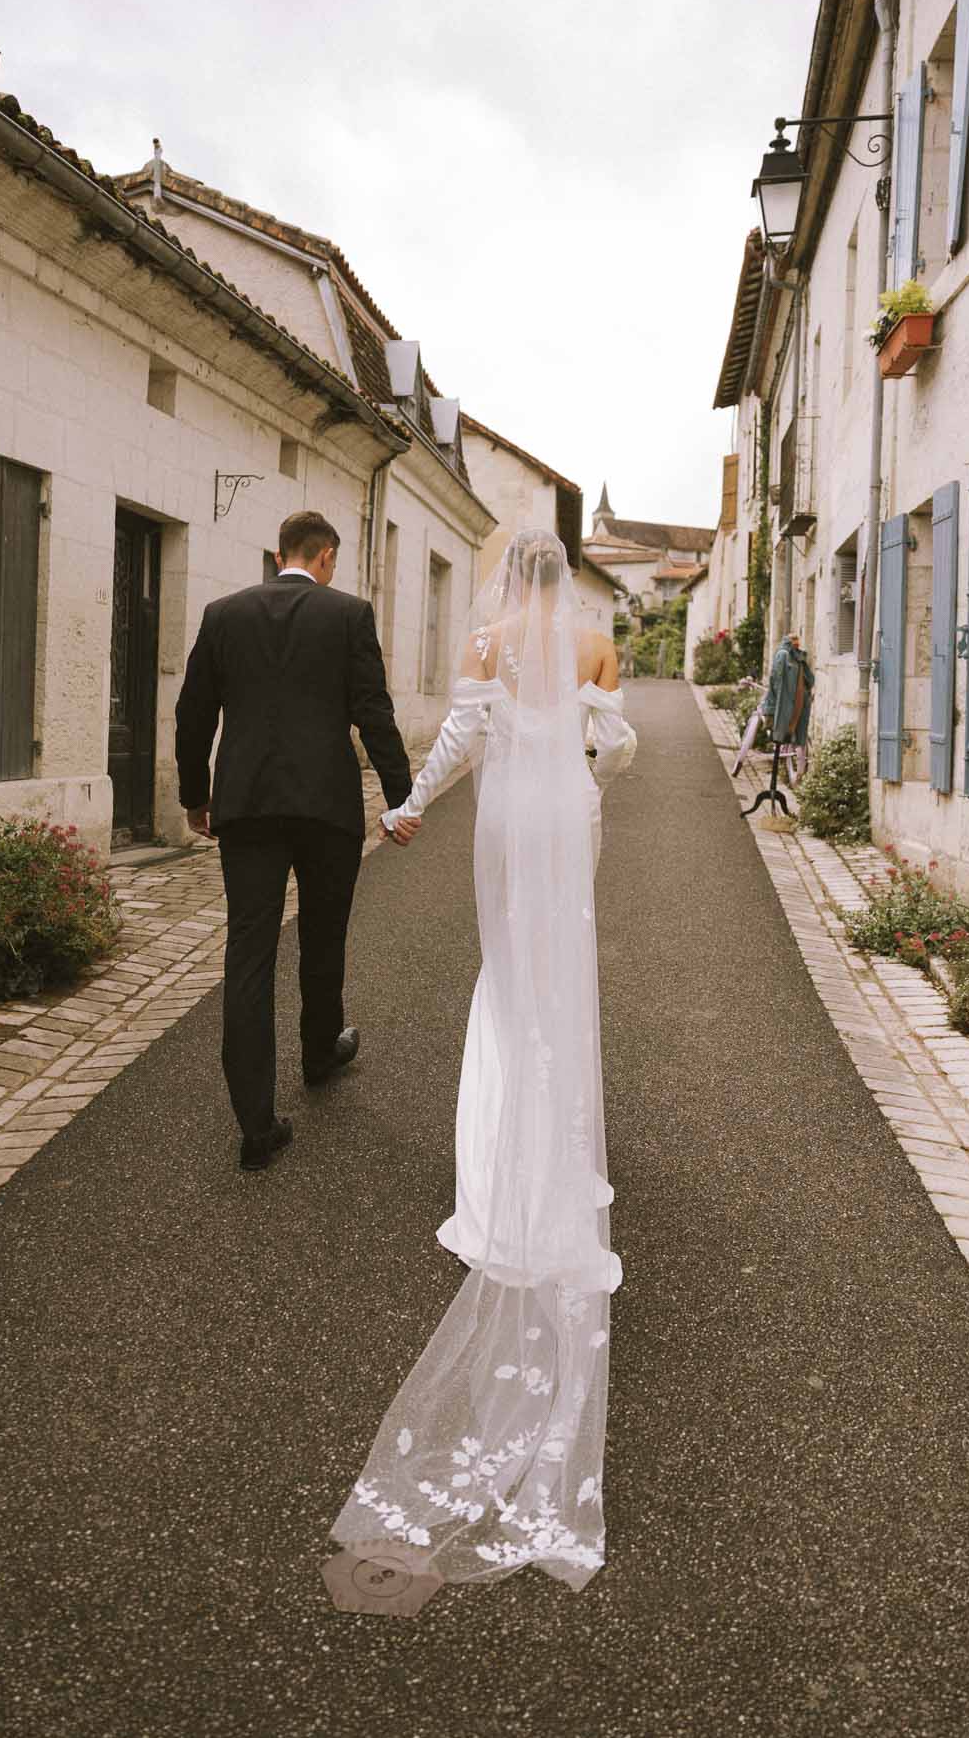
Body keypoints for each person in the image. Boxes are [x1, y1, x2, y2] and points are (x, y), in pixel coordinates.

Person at [329, 529, 637, 1590]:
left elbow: (461, 737)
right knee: (560, 975)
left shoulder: (487, 637)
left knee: (507, 974)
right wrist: (588, 753)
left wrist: (409, 806)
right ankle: (559, 1144)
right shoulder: (595, 643)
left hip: (507, 817)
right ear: (571, 582)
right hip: (570, 812)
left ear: (512, 578)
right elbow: (622, 748)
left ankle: (499, 1158)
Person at [174, 510, 417, 1172]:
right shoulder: (348, 615)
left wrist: (195, 795)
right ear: (326, 555)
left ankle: (256, 1125)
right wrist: (401, 799)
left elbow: (193, 712)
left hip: (246, 805)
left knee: (248, 952)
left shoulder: (224, 614)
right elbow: (374, 711)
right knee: (322, 932)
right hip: (325, 805)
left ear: (277, 551)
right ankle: (317, 1053)